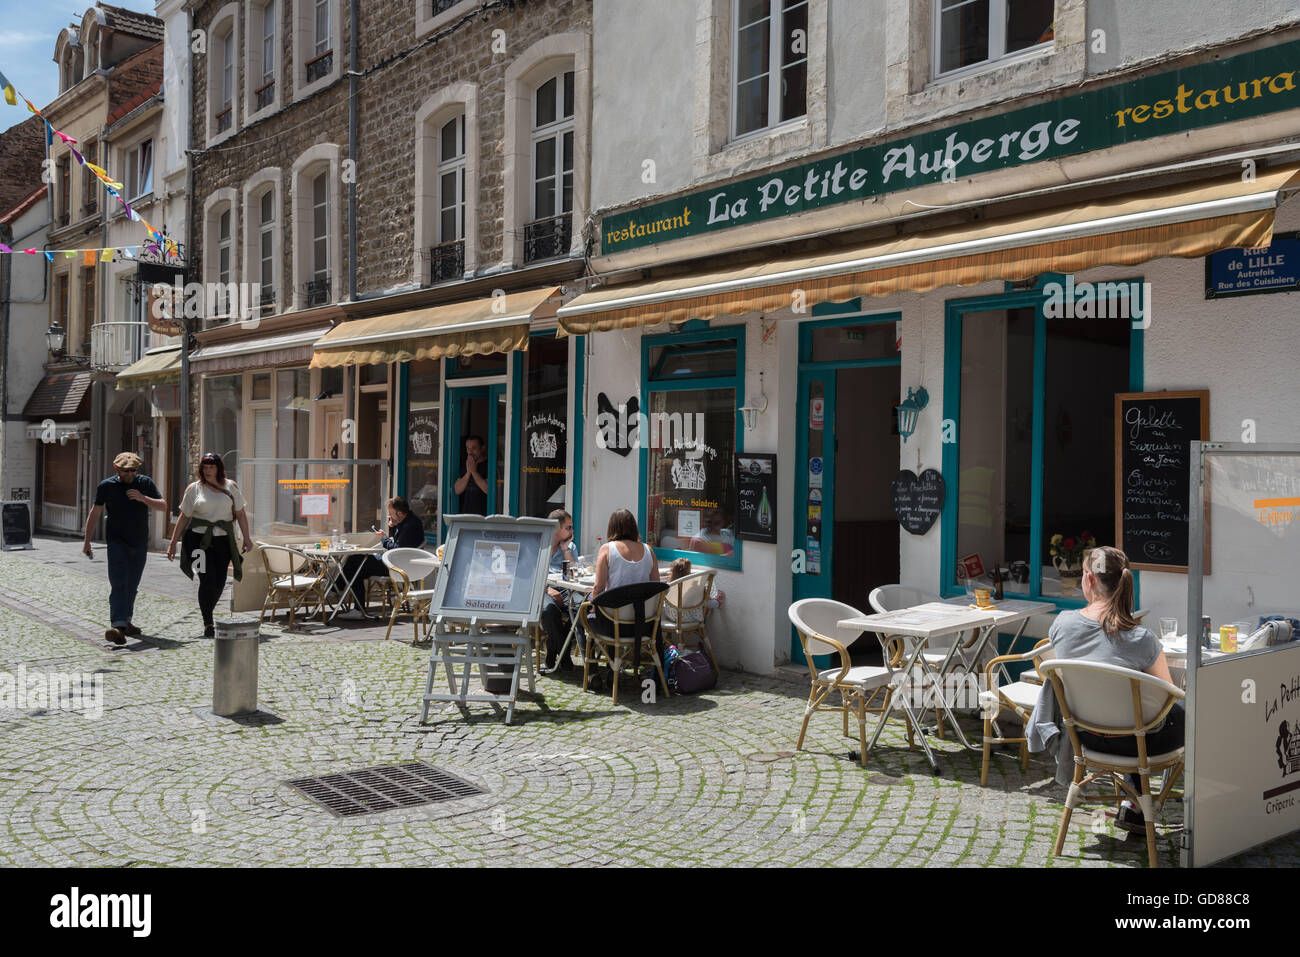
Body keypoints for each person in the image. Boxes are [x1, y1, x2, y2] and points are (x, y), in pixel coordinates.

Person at [1026, 545, 1181, 835]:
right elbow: (1167, 694)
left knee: (1125, 715)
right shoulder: (1142, 638)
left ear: (1090, 580)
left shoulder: (1062, 625)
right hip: (1135, 745)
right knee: (1177, 711)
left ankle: (1133, 804)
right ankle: (1148, 804)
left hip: (1085, 738)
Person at [83, 452, 168, 645]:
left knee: (132, 585)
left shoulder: (145, 483)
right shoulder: (106, 486)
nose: (130, 474)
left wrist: (142, 498)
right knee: (119, 582)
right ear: (116, 469)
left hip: (139, 542)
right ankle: (118, 626)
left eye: (133, 470)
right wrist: (87, 540)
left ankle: (126, 622)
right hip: (116, 542)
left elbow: (163, 506)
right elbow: (95, 512)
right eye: (125, 471)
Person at [166, 452, 253, 638]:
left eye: (211, 467)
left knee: (220, 581)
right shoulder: (194, 489)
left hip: (223, 540)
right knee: (206, 579)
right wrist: (173, 542)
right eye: (205, 467)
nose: (207, 470)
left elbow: (241, 514)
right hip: (198, 541)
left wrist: (247, 537)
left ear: (218, 468)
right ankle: (208, 622)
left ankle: (207, 610)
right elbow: (184, 517)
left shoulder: (231, 486)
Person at [336, 496, 425, 614]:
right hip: (393, 560)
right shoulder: (405, 521)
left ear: (399, 513)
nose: (389, 516)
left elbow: (397, 549)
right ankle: (355, 606)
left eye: (391, 513)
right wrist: (392, 526)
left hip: (398, 566)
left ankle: (338, 591)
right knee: (355, 563)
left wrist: (383, 539)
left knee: (355, 563)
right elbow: (398, 542)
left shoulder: (410, 526)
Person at [540, 509, 578, 671]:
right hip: (543, 588)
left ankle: (553, 646)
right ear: (556, 528)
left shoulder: (570, 546)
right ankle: (565, 654)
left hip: (567, 587)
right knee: (550, 611)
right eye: (568, 527)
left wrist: (565, 550)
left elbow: (575, 572)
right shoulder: (540, 544)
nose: (572, 531)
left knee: (580, 608)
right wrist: (547, 589)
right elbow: (531, 573)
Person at [592, 508, 657, 597]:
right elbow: (656, 586)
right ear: (634, 527)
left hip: (615, 609)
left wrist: (593, 608)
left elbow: (598, 588)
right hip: (643, 609)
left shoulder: (607, 549)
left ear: (611, 528)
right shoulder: (648, 550)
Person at [454, 435, 488, 515]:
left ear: (482, 448)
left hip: (483, 516)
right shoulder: (464, 465)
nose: (470, 452)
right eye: (468, 448)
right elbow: (457, 490)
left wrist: (474, 472)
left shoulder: (489, 465)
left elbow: (488, 490)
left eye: (474, 448)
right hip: (465, 515)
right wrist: (469, 472)